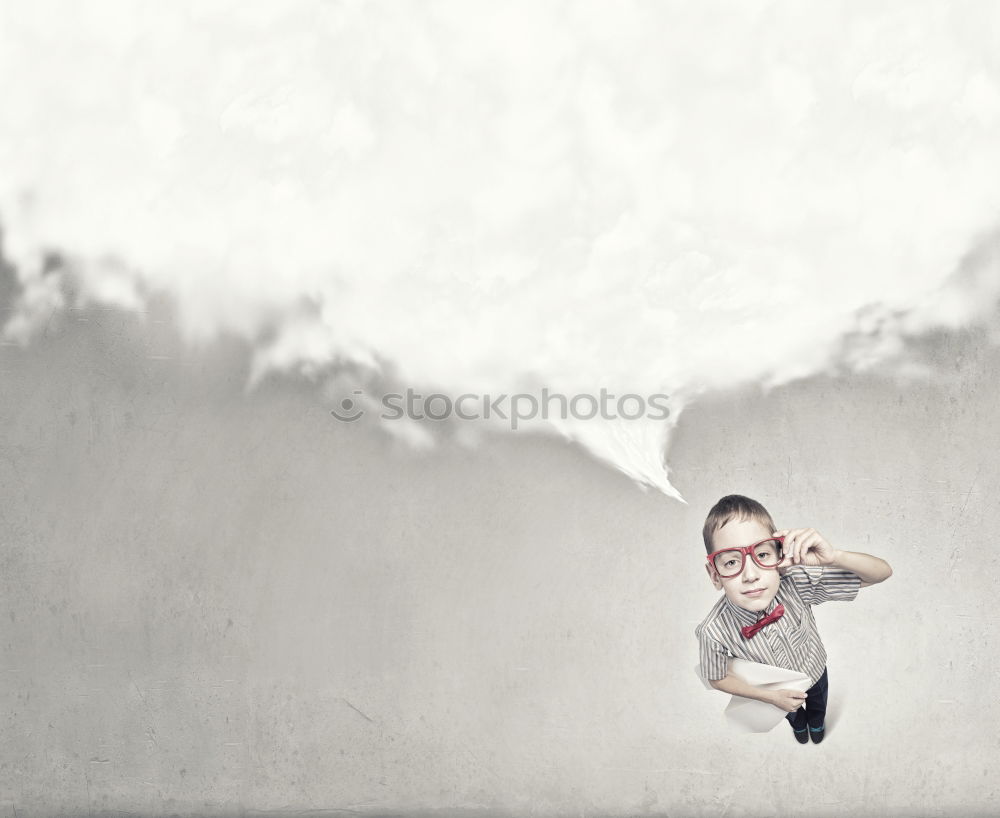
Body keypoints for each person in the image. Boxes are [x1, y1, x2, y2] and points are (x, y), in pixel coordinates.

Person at [695, 494, 892, 744]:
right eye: (732, 561)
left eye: (762, 555)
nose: (751, 574)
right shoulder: (712, 632)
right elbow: (716, 677)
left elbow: (882, 573)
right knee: (792, 715)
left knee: (818, 705)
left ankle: (817, 725)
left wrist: (833, 557)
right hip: (776, 691)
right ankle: (799, 727)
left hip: (815, 670)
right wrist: (768, 697)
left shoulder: (796, 583)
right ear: (714, 575)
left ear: (779, 554)